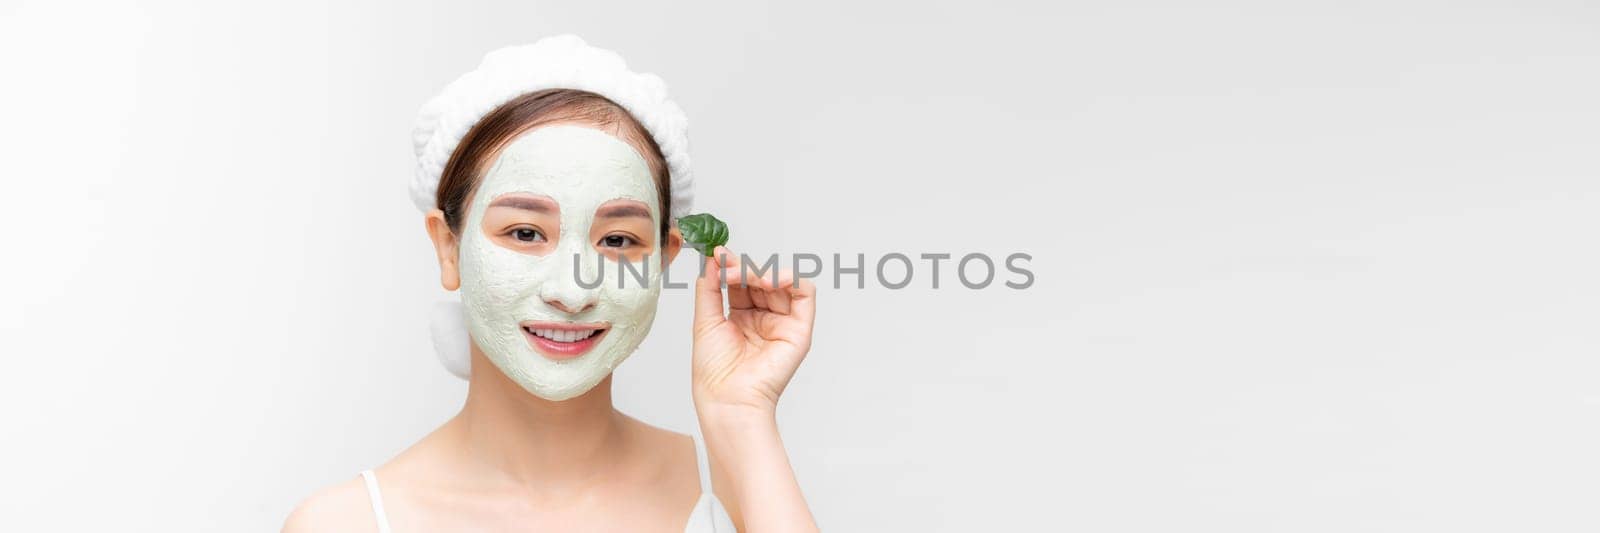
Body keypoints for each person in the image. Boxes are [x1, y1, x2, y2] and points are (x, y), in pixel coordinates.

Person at [283, 36, 820, 533]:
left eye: (616, 241)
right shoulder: (345, 521)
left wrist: (742, 416)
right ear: (448, 247)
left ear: (661, 261)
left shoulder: (734, 490)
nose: (571, 290)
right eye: (524, 232)